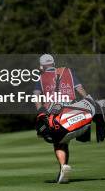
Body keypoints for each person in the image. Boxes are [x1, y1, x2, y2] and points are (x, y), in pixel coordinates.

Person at [34, 54, 88, 184]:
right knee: (64, 141)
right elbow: (79, 89)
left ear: (41, 66)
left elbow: (36, 96)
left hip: (54, 113)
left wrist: (41, 112)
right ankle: (62, 172)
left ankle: (63, 167)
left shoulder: (40, 77)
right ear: (53, 63)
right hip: (72, 110)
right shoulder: (67, 72)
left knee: (58, 142)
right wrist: (89, 101)